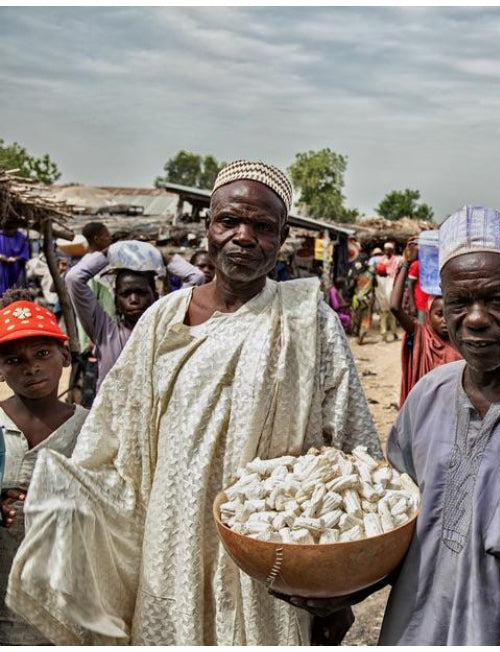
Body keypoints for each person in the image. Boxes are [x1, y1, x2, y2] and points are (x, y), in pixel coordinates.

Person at [6, 160, 381, 645]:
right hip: (171, 547)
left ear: (283, 235)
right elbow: (110, 440)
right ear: (209, 227)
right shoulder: (163, 319)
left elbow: (354, 455)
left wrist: (339, 583)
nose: (243, 237)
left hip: (271, 559)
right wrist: (53, 500)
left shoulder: (309, 321)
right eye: (229, 222)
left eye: (262, 227)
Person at [280, 205, 500, 644]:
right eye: (459, 302)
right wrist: (334, 587)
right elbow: (391, 534)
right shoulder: (426, 399)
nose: (474, 318)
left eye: (495, 299)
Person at [0, 293, 88, 645]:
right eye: (14, 360)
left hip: (68, 602)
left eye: (42, 354)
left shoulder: (90, 430)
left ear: (64, 356)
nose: (31, 367)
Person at [64, 240, 206, 388]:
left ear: (155, 296)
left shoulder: (168, 326)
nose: (133, 300)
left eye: (141, 292)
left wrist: (162, 257)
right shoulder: (104, 330)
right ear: (116, 300)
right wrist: (109, 254)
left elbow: (196, 277)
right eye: (125, 294)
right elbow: (73, 279)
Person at [390, 240, 460, 406]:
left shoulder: (461, 340)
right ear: (429, 315)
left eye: (449, 314)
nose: (445, 320)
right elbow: (394, 307)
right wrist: (407, 264)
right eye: (439, 314)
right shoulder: (420, 335)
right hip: (425, 409)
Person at [376, 242, 401, 342]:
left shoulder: (396, 260)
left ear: (392, 250)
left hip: (391, 284)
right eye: (386, 249)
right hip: (382, 284)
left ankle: (394, 332)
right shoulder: (381, 260)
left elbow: (396, 273)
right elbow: (378, 271)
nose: (387, 251)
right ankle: (384, 333)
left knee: (392, 310)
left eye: (389, 249)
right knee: (383, 311)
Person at [351, 255, 376, 344]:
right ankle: (361, 335)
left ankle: (357, 333)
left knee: (356, 316)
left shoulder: (356, 274)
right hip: (368, 299)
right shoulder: (371, 274)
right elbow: (375, 285)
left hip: (357, 298)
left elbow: (351, 285)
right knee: (366, 318)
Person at [0, 226, 29, 295]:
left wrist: (15, 258)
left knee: (16, 291)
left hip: (16, 268)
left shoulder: (22, 238)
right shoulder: (1, 237)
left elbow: (24, 254)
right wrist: (2, 257)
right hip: (2, 266)